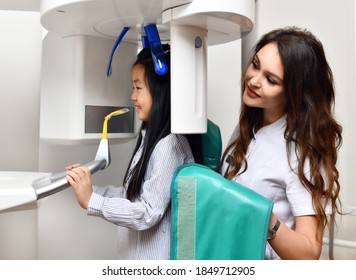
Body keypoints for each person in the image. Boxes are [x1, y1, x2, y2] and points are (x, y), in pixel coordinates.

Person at [219, 26, 343, 260]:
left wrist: (264, 216)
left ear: (294, 93)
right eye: (255, 65)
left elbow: (308, 253)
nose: (254, 80)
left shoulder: (301, 152)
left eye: (271, 80)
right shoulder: (246, 127)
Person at [66, 44, 197, 259]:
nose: (133, 97)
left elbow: (148, 212)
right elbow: (131, 197)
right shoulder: (149, 139)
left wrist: (93, 202)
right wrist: (88, 188)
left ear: (160, 90)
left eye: (138, 88)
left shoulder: (169, 145)